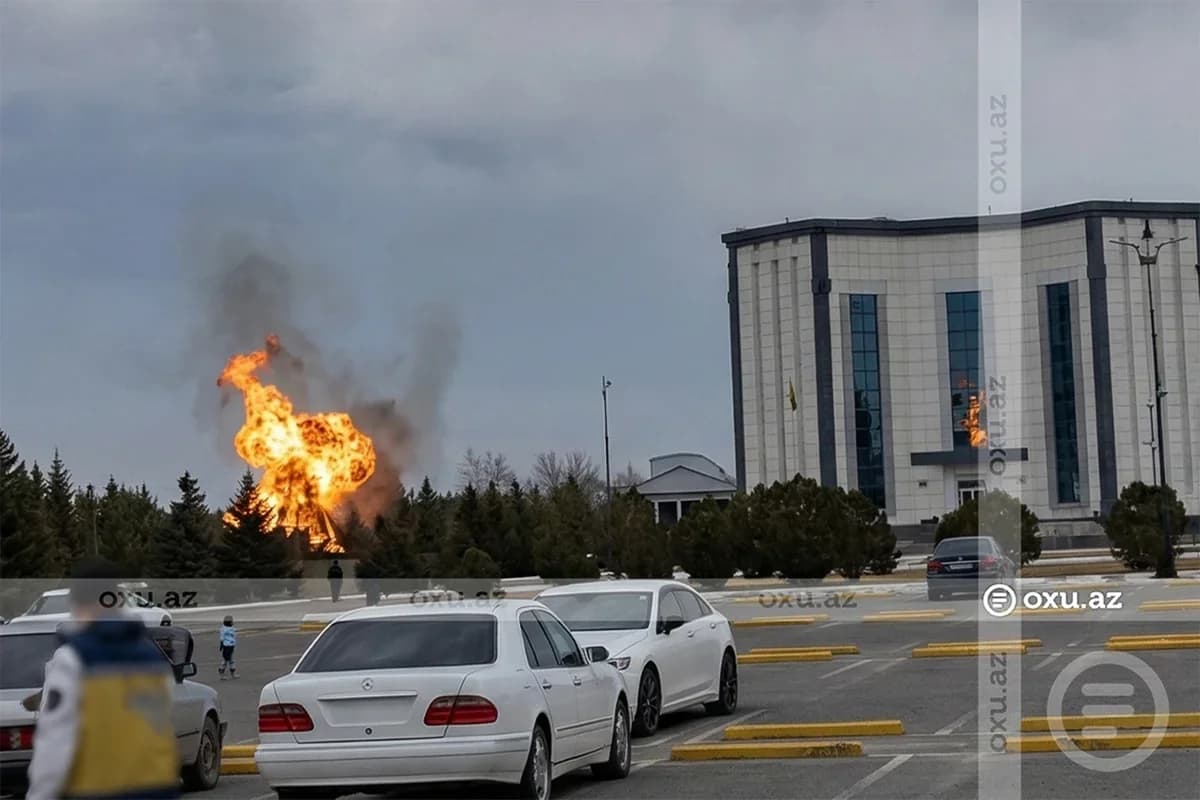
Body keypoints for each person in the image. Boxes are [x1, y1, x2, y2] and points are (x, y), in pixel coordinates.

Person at [26, 558, 179, 800]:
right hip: (156, 790)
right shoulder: (153, 659)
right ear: (117, 600)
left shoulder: (72, 660)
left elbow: (56, 742)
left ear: (76, 603)